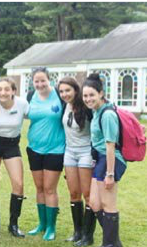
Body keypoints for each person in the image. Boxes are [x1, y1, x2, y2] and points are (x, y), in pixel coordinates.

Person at [82, 73, 125, 247]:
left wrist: (109, 173)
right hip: (100, 159)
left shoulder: (107, 114)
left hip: (110, 160)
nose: (88, 99)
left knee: (108, 204)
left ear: (101, 93)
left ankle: (109, 244)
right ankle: (114, 242)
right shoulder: (96, 110)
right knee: (94, 202)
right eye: (85, 95)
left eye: (91, 94)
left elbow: (110, 146)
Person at [0, 77, 29, 238]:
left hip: (12, 145)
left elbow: (38, 117)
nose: (3, 92)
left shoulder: (23, 104)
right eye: (0, 89)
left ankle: (13, 224)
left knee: (18, 184)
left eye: (6, 89)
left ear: (13, 91)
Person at [26, 67, 65, 241]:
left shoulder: (59, 94)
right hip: (34, 148)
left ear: (49, 80)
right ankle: (41, 223)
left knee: (50, 189)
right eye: (37, 81)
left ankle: (51, 226)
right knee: (39, 188)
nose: (40, 84)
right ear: (32, 82)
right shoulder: (29, 96)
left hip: (55, 149)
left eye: (43, 80)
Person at [58, 77, 95, 246]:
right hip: (69, 153)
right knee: (74, 193)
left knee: (88, 195)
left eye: (68, 90)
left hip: (85, 152)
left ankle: (88, 236)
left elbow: (107, 113)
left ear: (76, 90)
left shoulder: (87, 106)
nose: (65, 94)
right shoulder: (64, 105)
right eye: (62, 91)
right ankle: (77, 232)